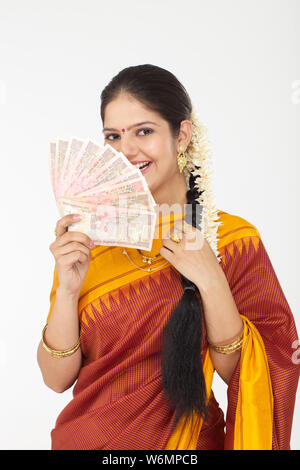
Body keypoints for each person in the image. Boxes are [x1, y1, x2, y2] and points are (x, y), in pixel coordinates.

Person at [37, 64, 299, 450]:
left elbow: (256, 370)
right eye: (113, 136)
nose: (127, 150)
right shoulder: (89, 238)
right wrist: (68, 291)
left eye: (144, 131)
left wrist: (210, 280)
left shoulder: (232, 240)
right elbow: (56, 379)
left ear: (182, 135)